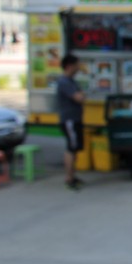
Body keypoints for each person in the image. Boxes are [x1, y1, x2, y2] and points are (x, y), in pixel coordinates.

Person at [56, 54, 86, 191]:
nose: (79, 68)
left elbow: (81, 95)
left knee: (75, 148)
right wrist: (81, 95)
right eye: (77, 65)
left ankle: (73, 176)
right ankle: (69, 179)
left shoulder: (71, 81)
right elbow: (79, 97)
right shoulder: (64, 82)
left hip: (75, 119)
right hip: (69, 120)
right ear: (69, 66)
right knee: (71, 148)